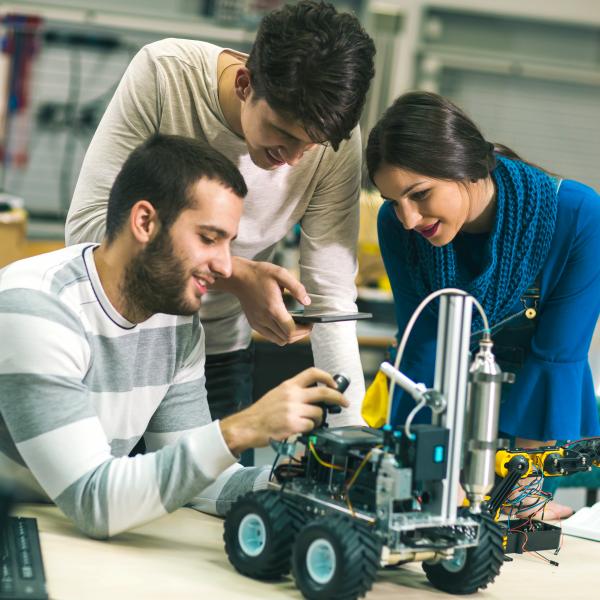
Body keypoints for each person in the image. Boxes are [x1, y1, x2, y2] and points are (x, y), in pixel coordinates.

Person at [0, 134, 348, 539]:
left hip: (61, 530)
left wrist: (300, 480)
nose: (224, 266)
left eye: (229, 243)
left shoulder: (174, 318)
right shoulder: (38, 309)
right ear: (145, 222)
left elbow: (195, 479)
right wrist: (244, 427)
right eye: (208, 238)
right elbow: (94, 500)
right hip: (19, 529)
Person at [65, 1, 376, 428]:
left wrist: (350, 436)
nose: (292, 159)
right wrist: (236, 276)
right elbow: (87, 233)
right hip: (118, 344)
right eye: (283, 134)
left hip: (216, 355)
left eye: (312, 145)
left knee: (222, 493)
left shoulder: (334, 137)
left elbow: (331, 297)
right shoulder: (165, 74)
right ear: (246, 83)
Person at [366, 91, 600, 518]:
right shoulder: (398, 228)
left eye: (420, 194)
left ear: (467, 168)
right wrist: (420, 473)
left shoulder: (580, 216)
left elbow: (556, 357)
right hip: (439, 408)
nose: (408, 219)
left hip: (529, 424)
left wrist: (522, 492)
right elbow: (422, 344)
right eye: (392, 202)